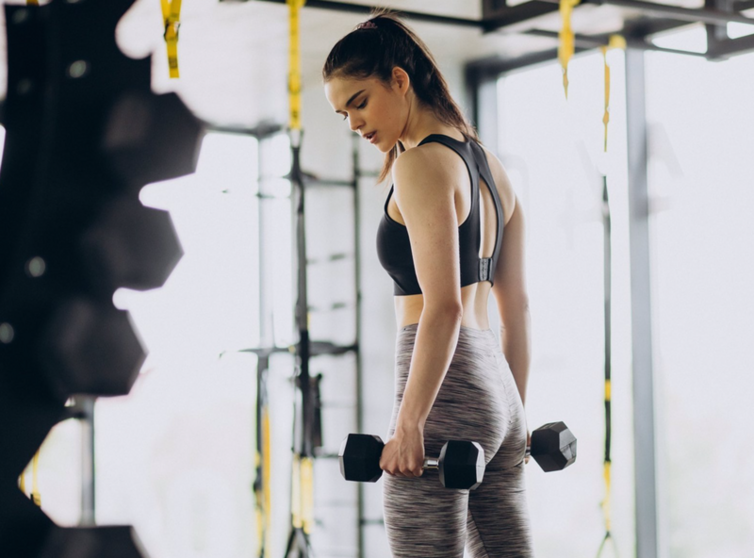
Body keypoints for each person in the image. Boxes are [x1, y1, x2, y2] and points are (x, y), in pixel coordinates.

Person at [323, 10, 534, 558]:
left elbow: (443, 307)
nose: (354, 124)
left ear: (399, 78)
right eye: (343, 113)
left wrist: (411, 422)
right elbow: (519, 309)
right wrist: (513, 422)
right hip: (498, 391)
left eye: (360, 101)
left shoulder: (418, 166)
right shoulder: (492, 167)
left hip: (444, 391)